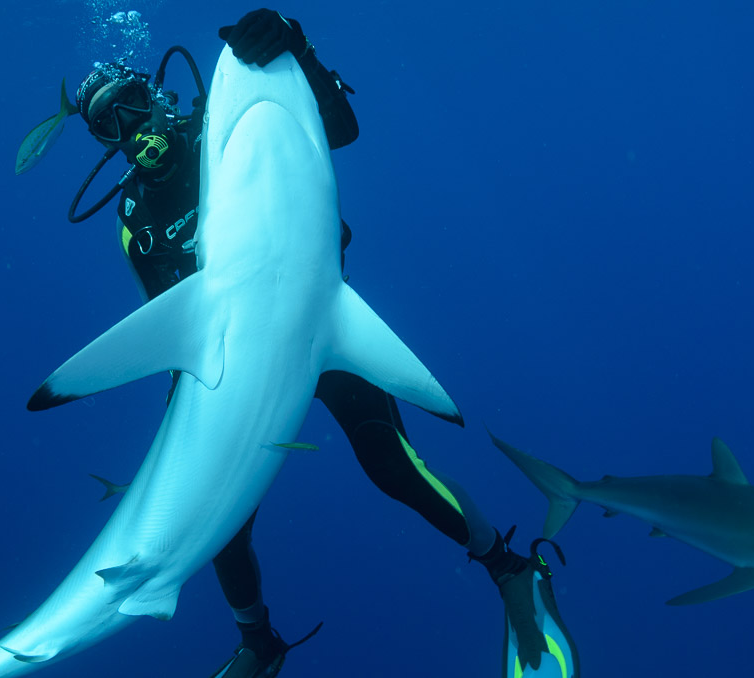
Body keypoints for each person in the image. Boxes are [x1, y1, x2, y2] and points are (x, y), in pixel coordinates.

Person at [60, 9, 579, 678]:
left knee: (391, 464)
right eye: (110, 123)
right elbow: (163, 321)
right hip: (225, 358)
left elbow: (338, 129)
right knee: (220, 526)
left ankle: (510, 568)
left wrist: (293, 50)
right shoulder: (136, 221)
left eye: (132, 103)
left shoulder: (228, 129)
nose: (131, 127)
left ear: (155, 90)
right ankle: (259, 641)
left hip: (312, 326)